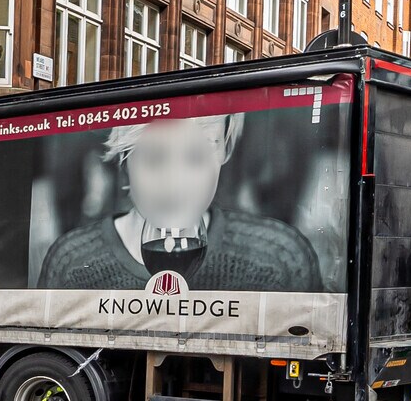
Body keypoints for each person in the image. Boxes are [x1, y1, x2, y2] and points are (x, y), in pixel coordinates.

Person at [38, 114, 323, 292]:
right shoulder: (71, 263)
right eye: (153, 158)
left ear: (226, 149)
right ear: (124, 162)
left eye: (197, 156)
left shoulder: (281, 258)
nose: (174, 183)